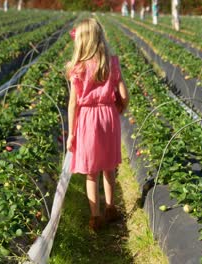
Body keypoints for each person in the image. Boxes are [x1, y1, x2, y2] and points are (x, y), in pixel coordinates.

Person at [66, 18, 129, 232]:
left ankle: (95, 217)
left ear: (81, 42)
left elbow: (73, 103)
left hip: (87, 119)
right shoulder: (111, 63)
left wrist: (71, 133)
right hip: (108, 116)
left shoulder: (78, 68)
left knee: (91, 172)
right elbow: (123, 94)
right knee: (109, 168)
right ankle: (111, 209)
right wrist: (120, 107)